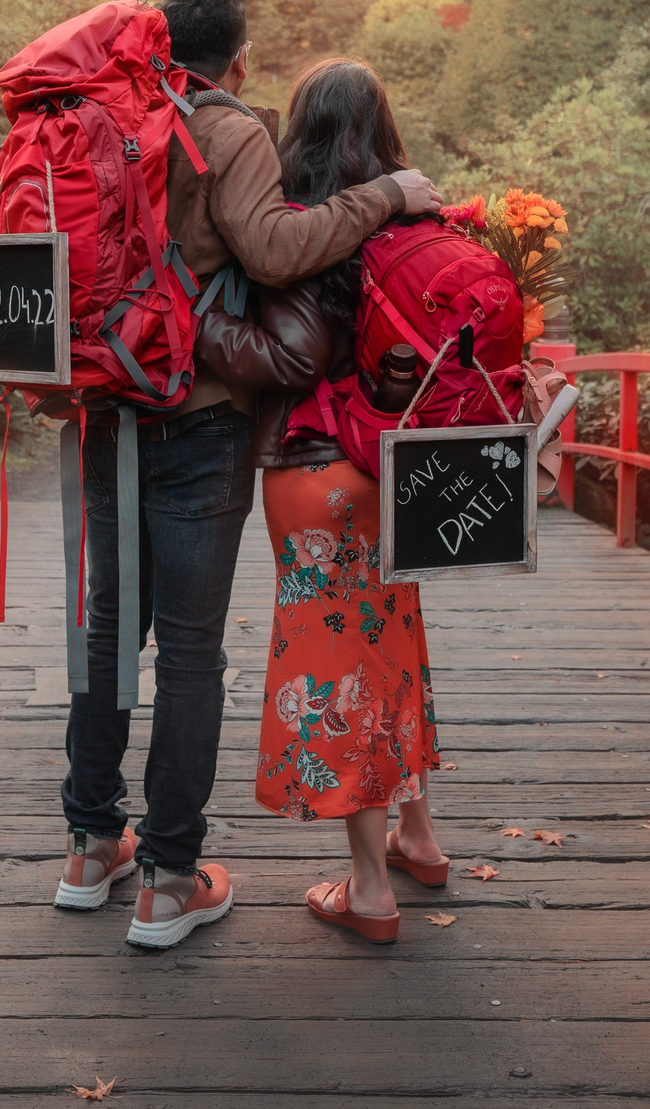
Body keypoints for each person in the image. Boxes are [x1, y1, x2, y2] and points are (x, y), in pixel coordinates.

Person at [58, 0, 441, 950]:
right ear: (237, 59)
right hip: (196, 418)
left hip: (103, 408)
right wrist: (389, 194)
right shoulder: (228, 128)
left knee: (107, 629)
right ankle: (170, 880)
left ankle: (90, 844)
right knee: (188, 651)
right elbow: (273, 253)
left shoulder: (102, 119)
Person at [250, 58, 451, 945]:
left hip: (312, 466)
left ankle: (369, 887)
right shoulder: (412, 220)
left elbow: (274, 352)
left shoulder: (291, 228)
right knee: (392, 638)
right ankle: (420, 835)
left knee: (338, 668)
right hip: (392, 466)